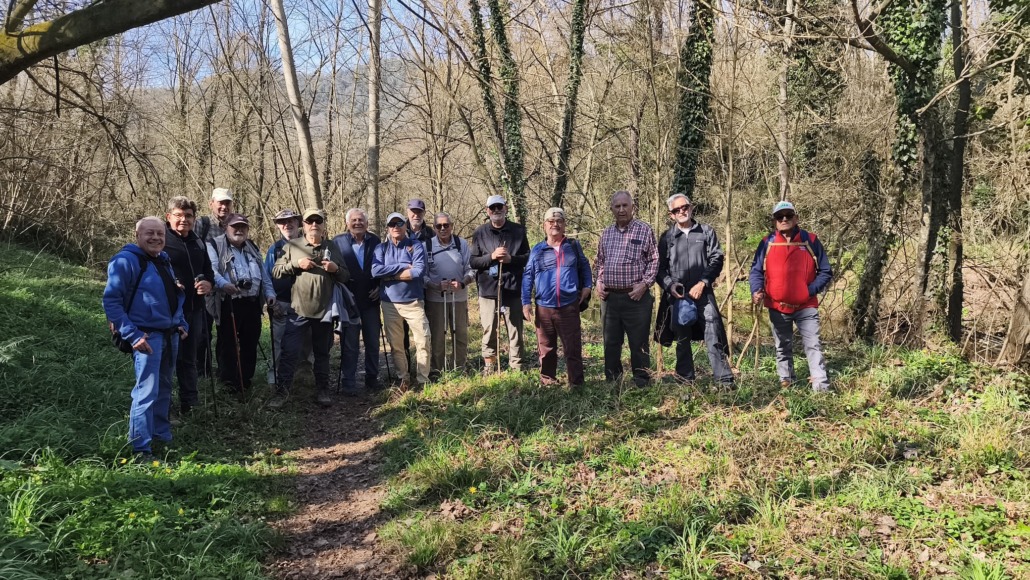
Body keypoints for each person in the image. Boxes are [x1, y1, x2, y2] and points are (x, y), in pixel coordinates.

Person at [103, 217, 187, 459]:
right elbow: (111, 301)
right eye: (150, 233)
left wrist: (181, 322)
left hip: (170, 334)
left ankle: (161, 435)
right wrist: (132, 334)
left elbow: (173, 295)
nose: (156, 238)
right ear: (137, 235)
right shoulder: (125, 260)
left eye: (160, 234)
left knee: (164, 388)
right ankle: (141, 448)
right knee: (146, 391)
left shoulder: (163, 259)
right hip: (146, 337)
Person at [749, 201, 833, 392]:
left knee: (813, 345)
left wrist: (809, 291)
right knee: (782, 347)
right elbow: (756, 271)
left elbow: (825, 271)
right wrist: (756, 290)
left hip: (806, 306)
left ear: (796, 218)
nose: (784, 219)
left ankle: (821, 388)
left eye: (788, 215)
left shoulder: (810, 240)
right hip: (777, 306)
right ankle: (787, 383)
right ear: (774, 221)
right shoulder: (767, 243)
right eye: (780, 217)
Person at [271, 209, 350, 408]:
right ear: (303, 225)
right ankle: (282, 393)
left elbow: (345, 276)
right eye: (310, 221)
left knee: (322, 354)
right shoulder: (292, 245)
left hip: (324, 312)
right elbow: (276, 271)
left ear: (323, 225)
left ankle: (323, 391)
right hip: (298, 311)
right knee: (289, 352)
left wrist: (335, 269)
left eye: (318, 221)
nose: (314, 224)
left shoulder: (331, 246)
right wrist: (296, 264)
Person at [657, 194, 735, 385]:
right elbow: (659, 269)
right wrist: (670, 285)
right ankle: (685, 379)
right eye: (676, 210)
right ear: (671, 215)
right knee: (682, 337)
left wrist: (703, 282)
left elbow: (716, 259)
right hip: (679, 296)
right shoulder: (667, 237)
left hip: (703, 293)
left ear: (691, 208)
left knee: (713, 333)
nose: (682, 211)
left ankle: (724, 380)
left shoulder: (706, 232)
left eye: (685, 207)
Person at [594, 190, 659, 387]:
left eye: (625, 205)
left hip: (636, 298)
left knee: (639, 343)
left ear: (632, 207)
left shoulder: (644, 230)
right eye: (617, 206)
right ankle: (613, 381)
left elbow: (654, 259)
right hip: (610, 299)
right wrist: (599, 281)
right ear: (611, 209)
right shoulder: (606, 233)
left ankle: (642, 381)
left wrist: (645, 283)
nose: (621, 210)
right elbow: (600, 261)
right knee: (611, 343)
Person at [522, 208, 592, 387]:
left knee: (572, 348)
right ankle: (548, 380)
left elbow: (584, 266)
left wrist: (587, 286)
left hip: (569, 306)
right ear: (544, 225)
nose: (555, 224)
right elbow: (528, 275)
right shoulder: (537, 250)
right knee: (546, 348)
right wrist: (526, 302)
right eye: (551, 221)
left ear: (564, 224)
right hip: (544, 307)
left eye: (559, 221)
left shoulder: (573, 246)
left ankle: (576, 384)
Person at [207, 213, 277, 392]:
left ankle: (245, 382)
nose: (239, 230)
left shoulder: (252, 246)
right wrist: (224, 284)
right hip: (229, 302)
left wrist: (269, 293)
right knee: (228, 344)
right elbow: (212, 271)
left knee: (250, 343)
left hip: (252, 304)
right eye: (235, 226)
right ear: (226, 228)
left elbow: (264, 274)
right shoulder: (214, 244)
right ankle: (228, 384)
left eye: (243, 227)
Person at [163, 197, 214, 417]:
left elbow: (208, 271)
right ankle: (164, 407)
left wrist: (208, 284)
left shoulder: (198, 242)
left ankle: (190, 404)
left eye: (188, 216)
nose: (184, 219)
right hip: (169, 312)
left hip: (195, 309)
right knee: (167, 361)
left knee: (190, 358)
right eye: (178, 215)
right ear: (169, 217)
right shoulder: (161, 240)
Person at [470, 195, 530, 373]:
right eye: (492, 208)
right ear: (487, 211)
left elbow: (528, 257)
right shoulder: (480, 233)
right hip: (488, 289)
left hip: (512, 288)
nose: (496, 210)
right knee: (489, 328)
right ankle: (489, 364)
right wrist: (492, 257)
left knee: (515, 329)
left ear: (505, 208)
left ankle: (516, 365)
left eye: (499, 207)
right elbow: (473, 262)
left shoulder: (518, 231)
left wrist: (511, 259)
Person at [372, 212, 432, 390]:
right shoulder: (381, 248)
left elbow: (418, 271)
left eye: (399, 223)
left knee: (423, 341)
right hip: (389, 303)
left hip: (414, 302)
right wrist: (404, 266)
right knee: (396, 344)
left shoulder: (416, 245)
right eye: (392, 224)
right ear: (387, 228)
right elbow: (375, 271)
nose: (396, 227)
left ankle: (423, 379)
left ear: (406, 226)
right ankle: (403, 378)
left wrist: (389, 276)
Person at [333, 208, 383, 393]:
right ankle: (348, 382)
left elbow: (382, 266)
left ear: (367, 223)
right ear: (347, 223)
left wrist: (380, 287)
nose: (357, 223)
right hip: (348, 300)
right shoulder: (337, 242)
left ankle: (372, 378)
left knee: (373, 342)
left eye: (361, 220)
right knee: (350, 343)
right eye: (353, 220)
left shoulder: (375, 241)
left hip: (371, 298)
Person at [264, 209, 312, 387]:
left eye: (291, 221)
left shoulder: (309, 245)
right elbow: (266, 277)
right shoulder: (275, 249)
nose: (287, 225)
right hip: (282, 304)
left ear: (298, 223)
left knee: (307, 344)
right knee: (279, 343)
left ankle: (304, 377)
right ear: (278, 226)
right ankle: (274, 380)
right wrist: (271, 301)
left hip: (307, 304)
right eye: (282, 222)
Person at [424, 212, 474, 377]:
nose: (443, 228)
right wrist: (435, 286)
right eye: (439, 226)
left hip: (459, 298)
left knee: (460, 335)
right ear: (434, 228)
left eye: (446, 225)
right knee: (438, 336)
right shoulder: (427, 246)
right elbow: (421, 274)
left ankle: (459, 368)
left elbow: (471, 269)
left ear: (452, 226)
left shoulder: (461, 244)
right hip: (436, 299)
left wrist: (462, 283)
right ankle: (437, 370)